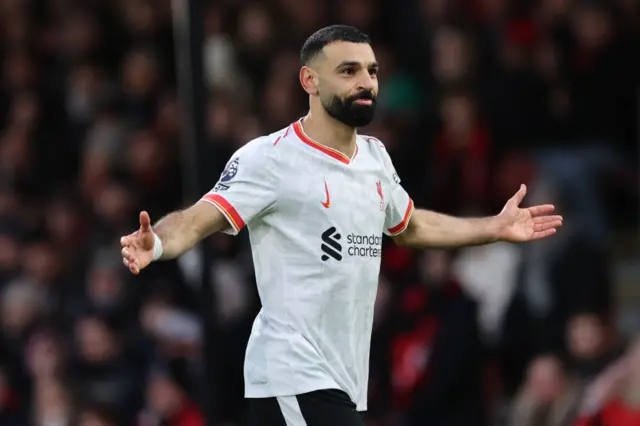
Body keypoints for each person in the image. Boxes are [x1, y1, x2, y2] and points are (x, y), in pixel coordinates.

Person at [120, 25, 563, 426]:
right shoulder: (269, 158)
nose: (366, 82)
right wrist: (156, 242)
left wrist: (494, 227)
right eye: (348, 71)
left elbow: (409, 226)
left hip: (343, 378)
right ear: (309, 81)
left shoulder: (374, 157)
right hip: (291, 371)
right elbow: (201, 217)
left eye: (371, 71)